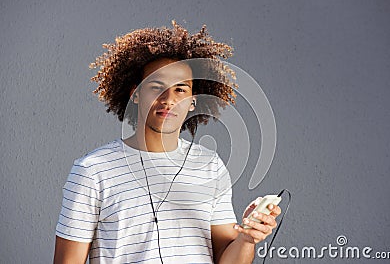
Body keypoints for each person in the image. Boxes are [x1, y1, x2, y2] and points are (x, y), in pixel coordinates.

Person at [54, 21, 281, 264]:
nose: (168, 99)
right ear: (136, 94)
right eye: (156, 86)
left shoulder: (210, 166)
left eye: (180, 90)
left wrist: (247, 238)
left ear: (193, 101)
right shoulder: (93, 171)